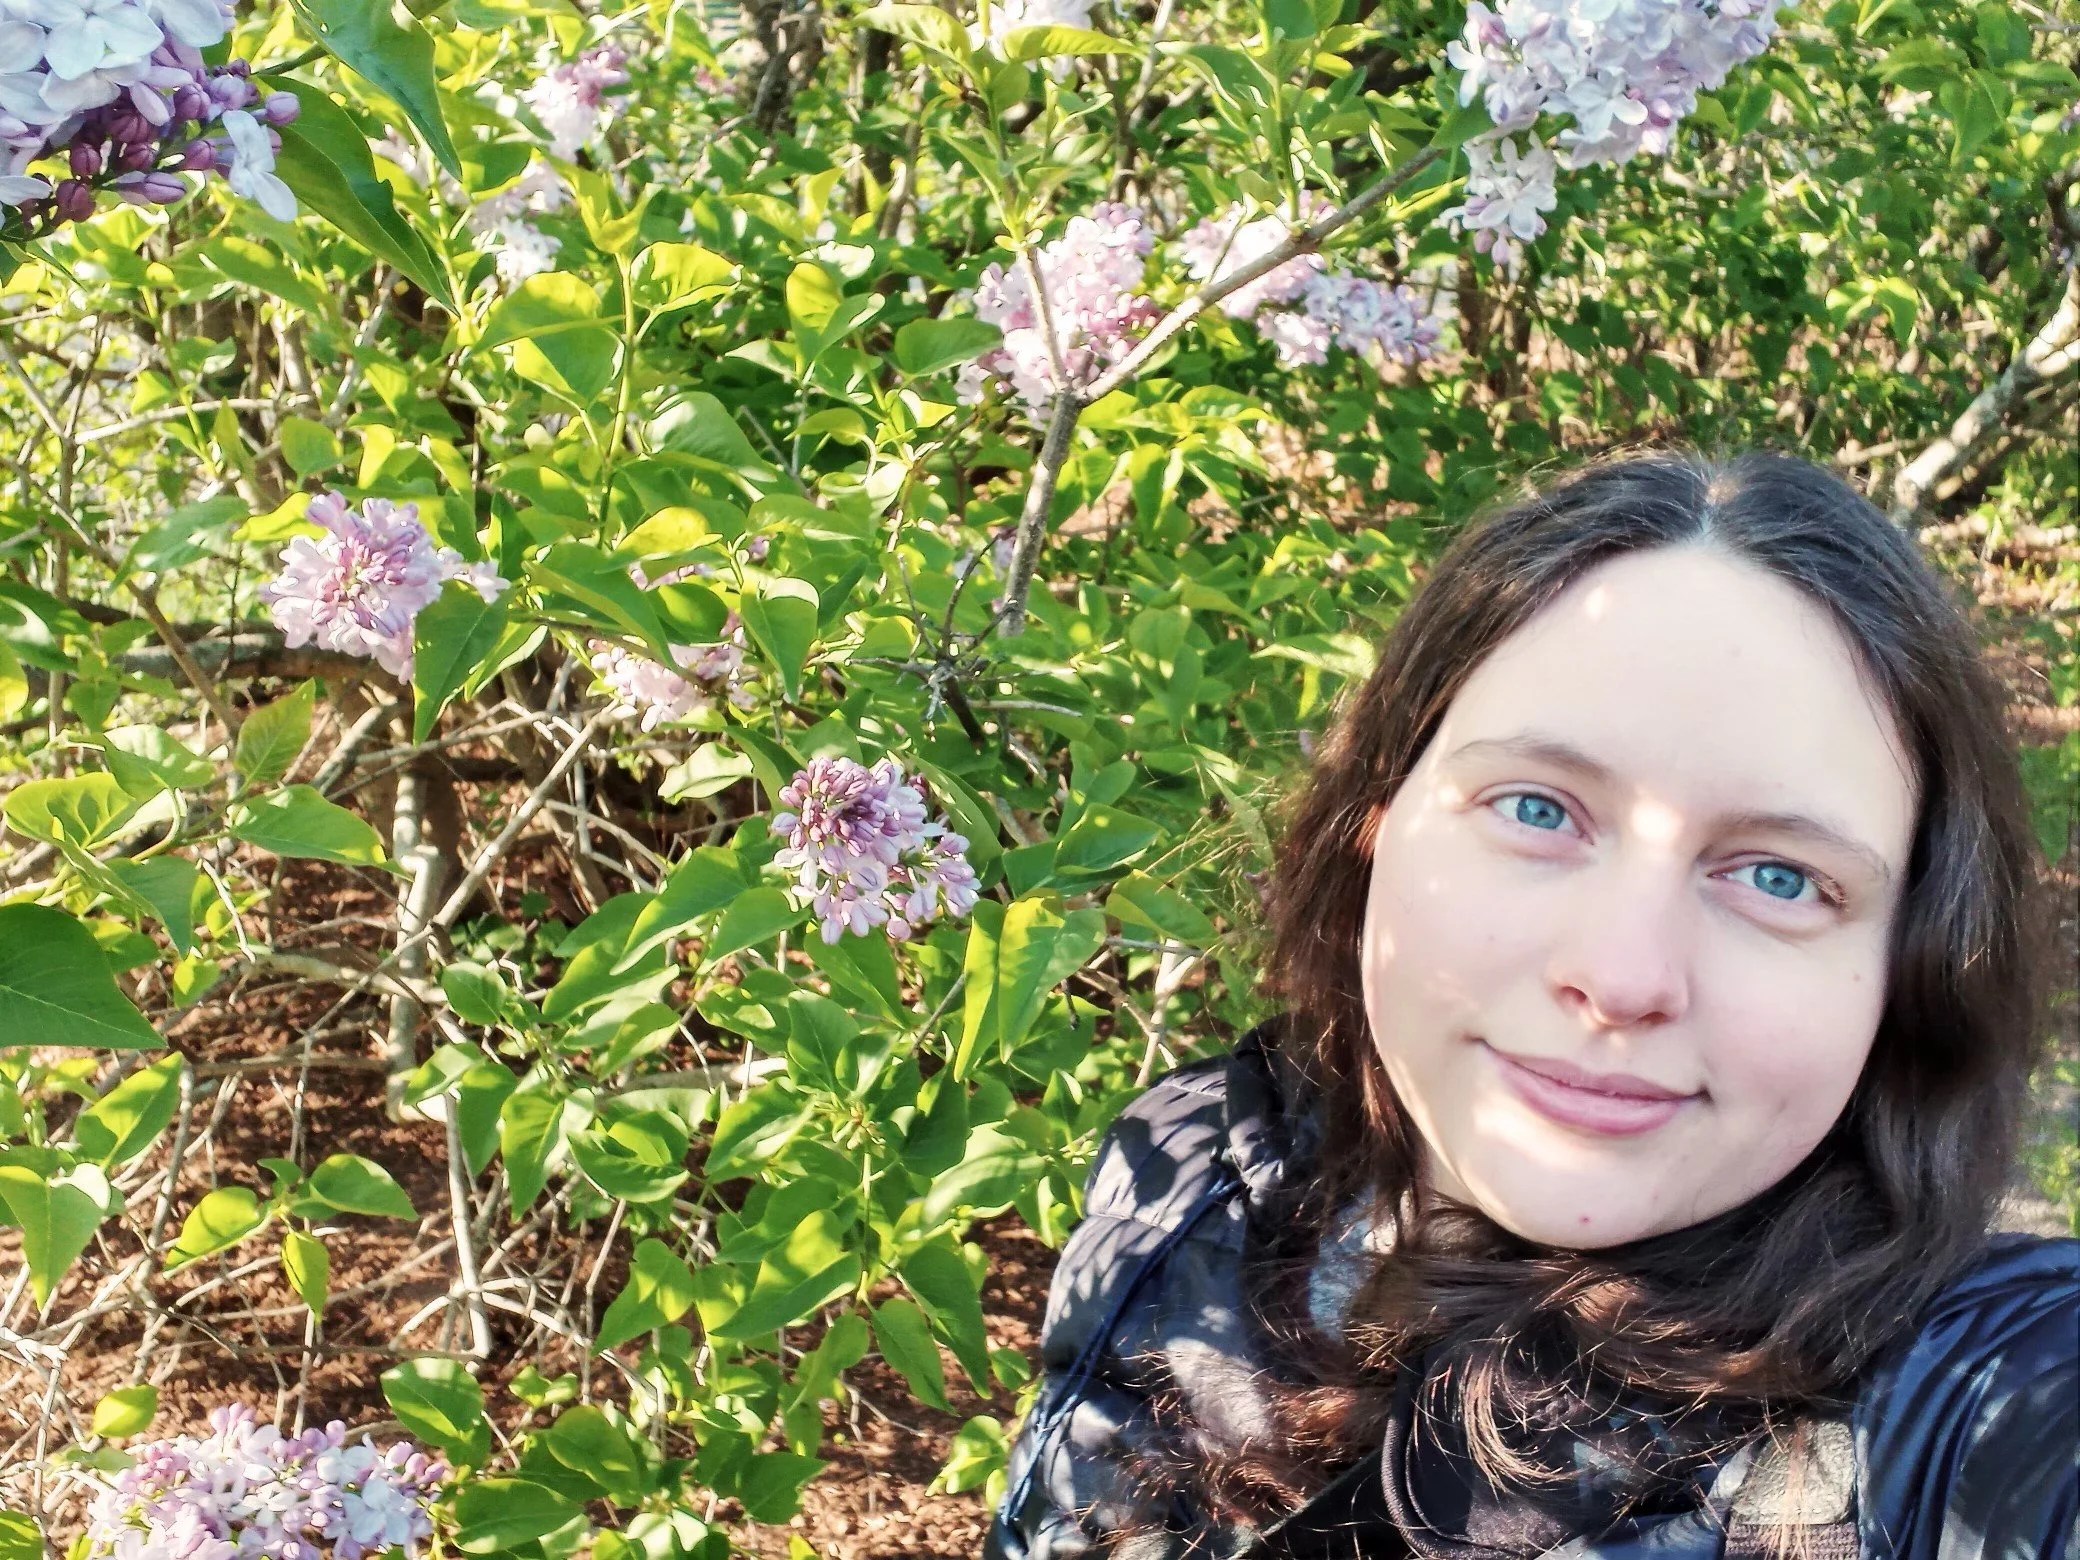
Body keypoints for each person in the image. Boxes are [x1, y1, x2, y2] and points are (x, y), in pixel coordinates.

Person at [983, 450, 2079, 1560]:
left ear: (1909, 964)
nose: (1621, 977)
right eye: (1537, 809)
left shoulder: (1965, 1404)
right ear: (1375, 818)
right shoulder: (1192, 1168)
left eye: (1778, 877)